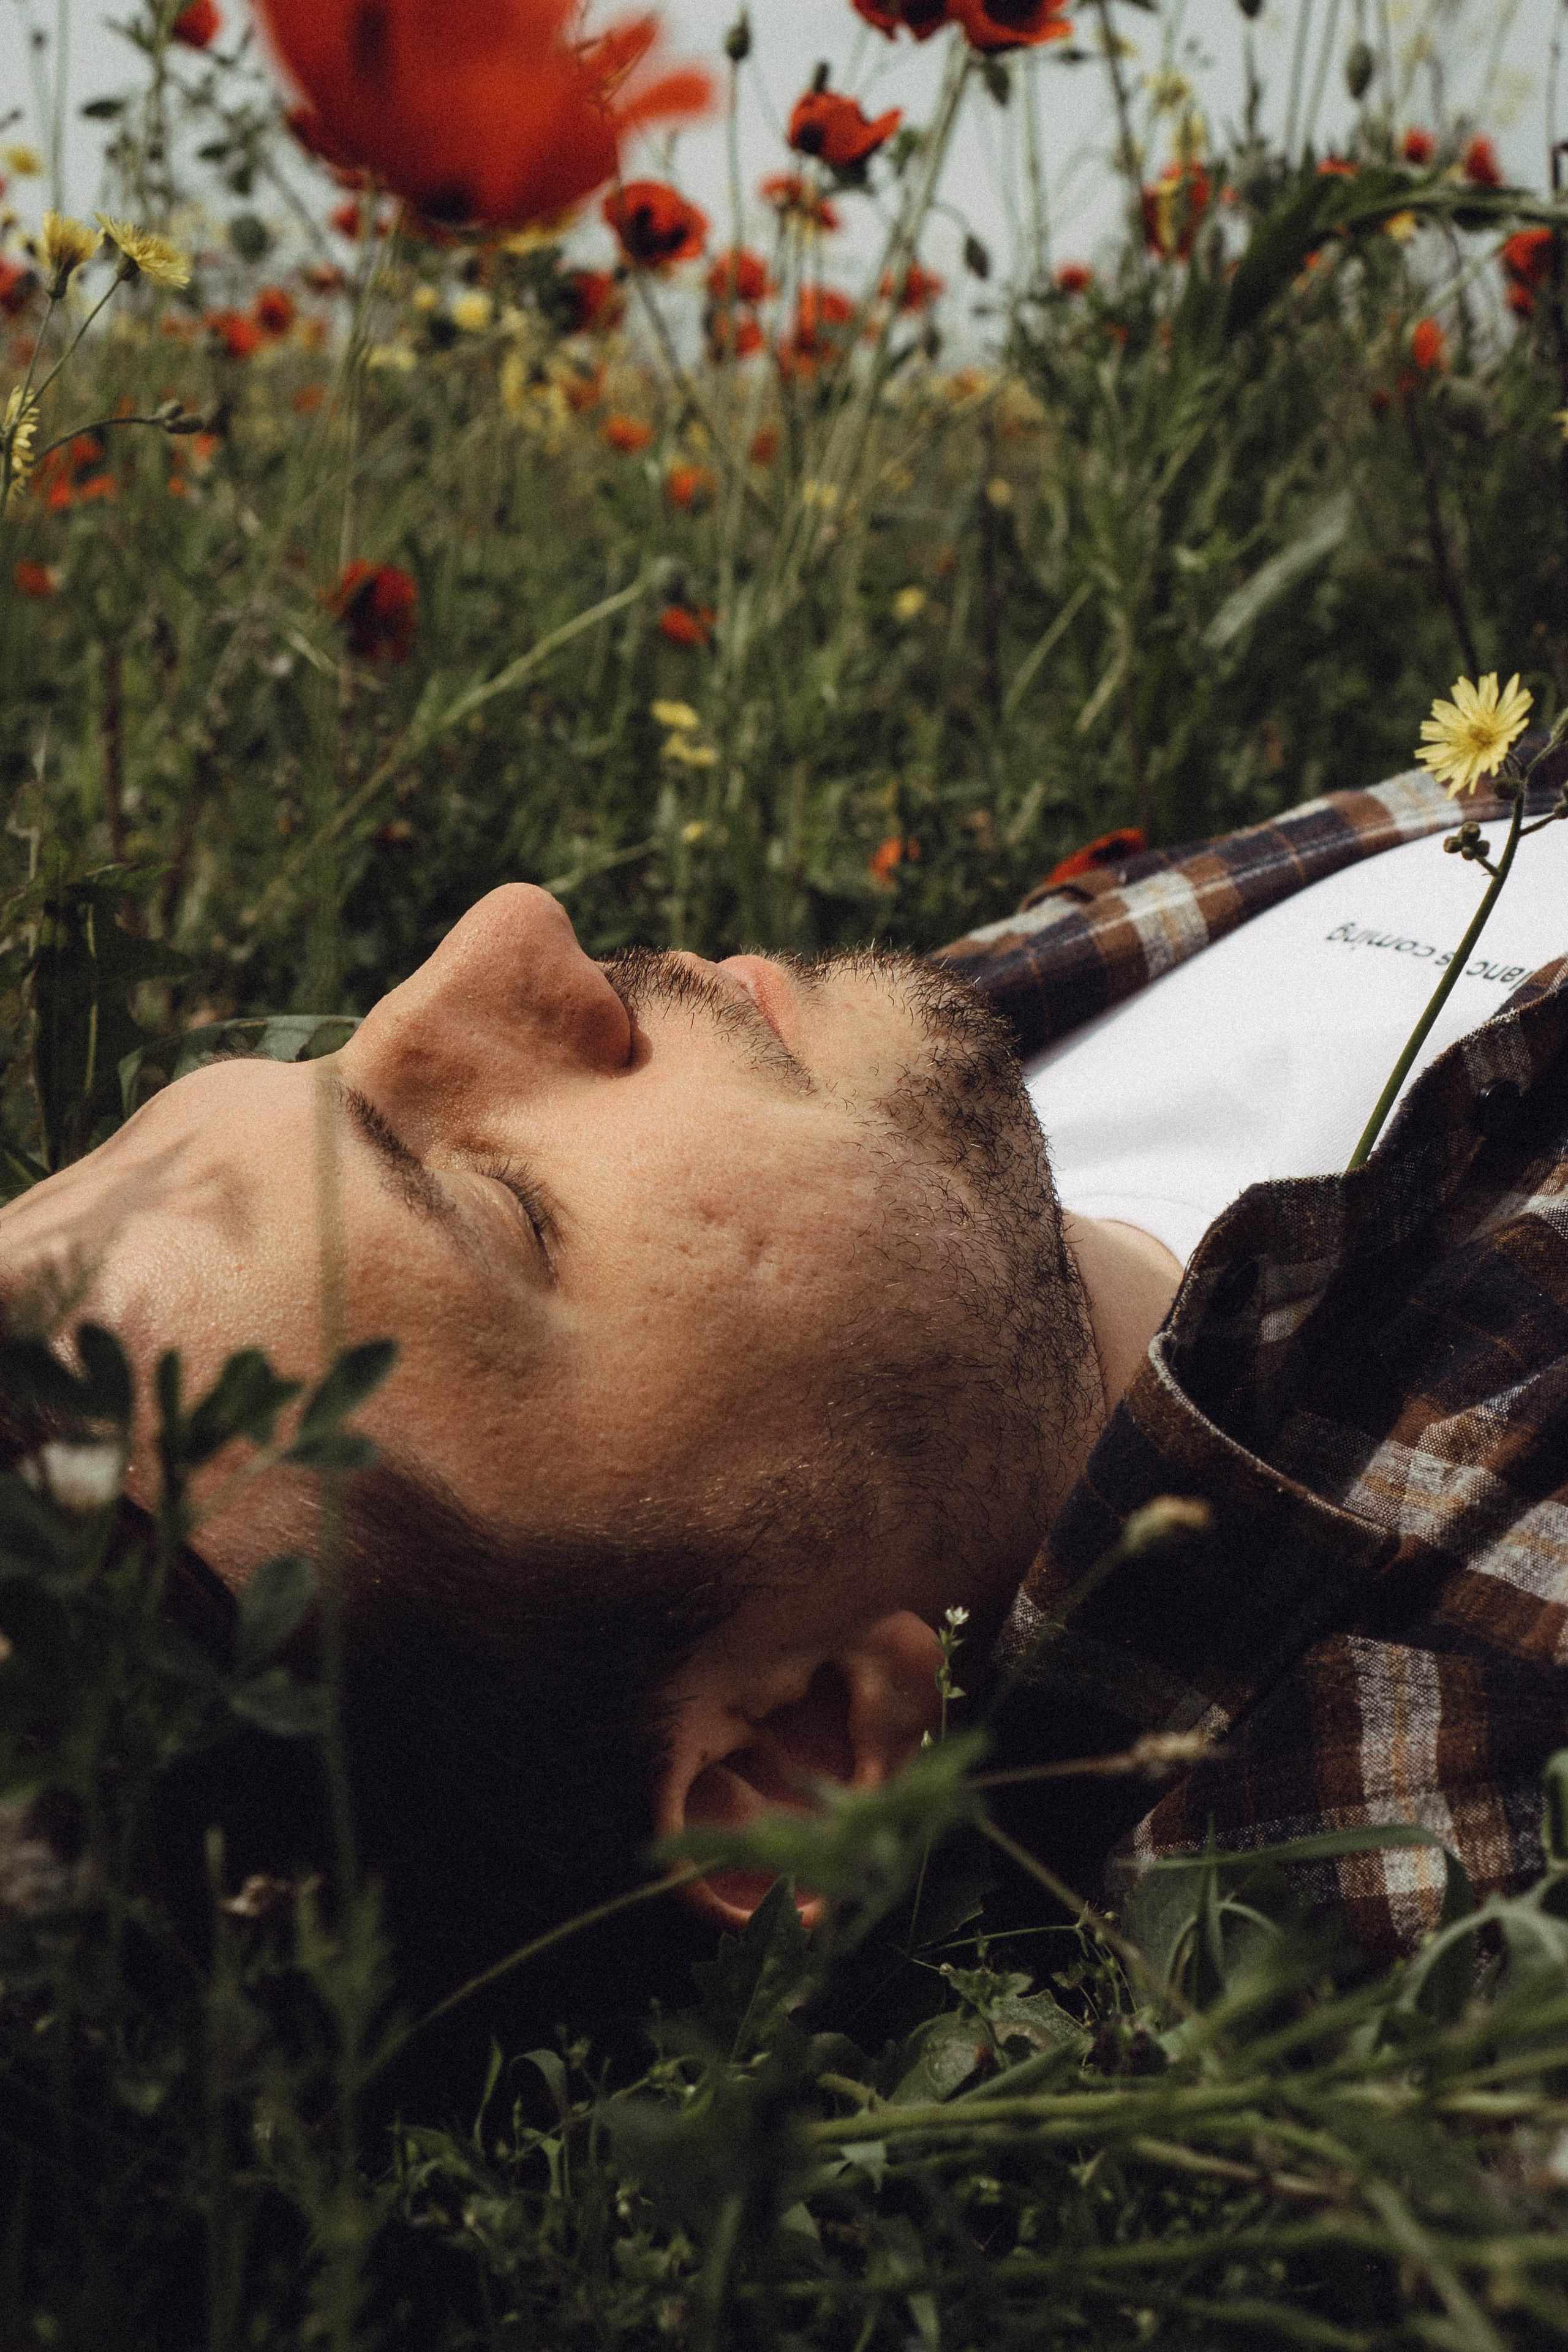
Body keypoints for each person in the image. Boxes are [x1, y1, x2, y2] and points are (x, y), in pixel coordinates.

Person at [1, 752, 1564, 1978]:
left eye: (328, 1054)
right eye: (501, 1203)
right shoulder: (1449, 1737)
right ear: (800, 1770)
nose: (510, 931)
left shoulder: (912, 1127)